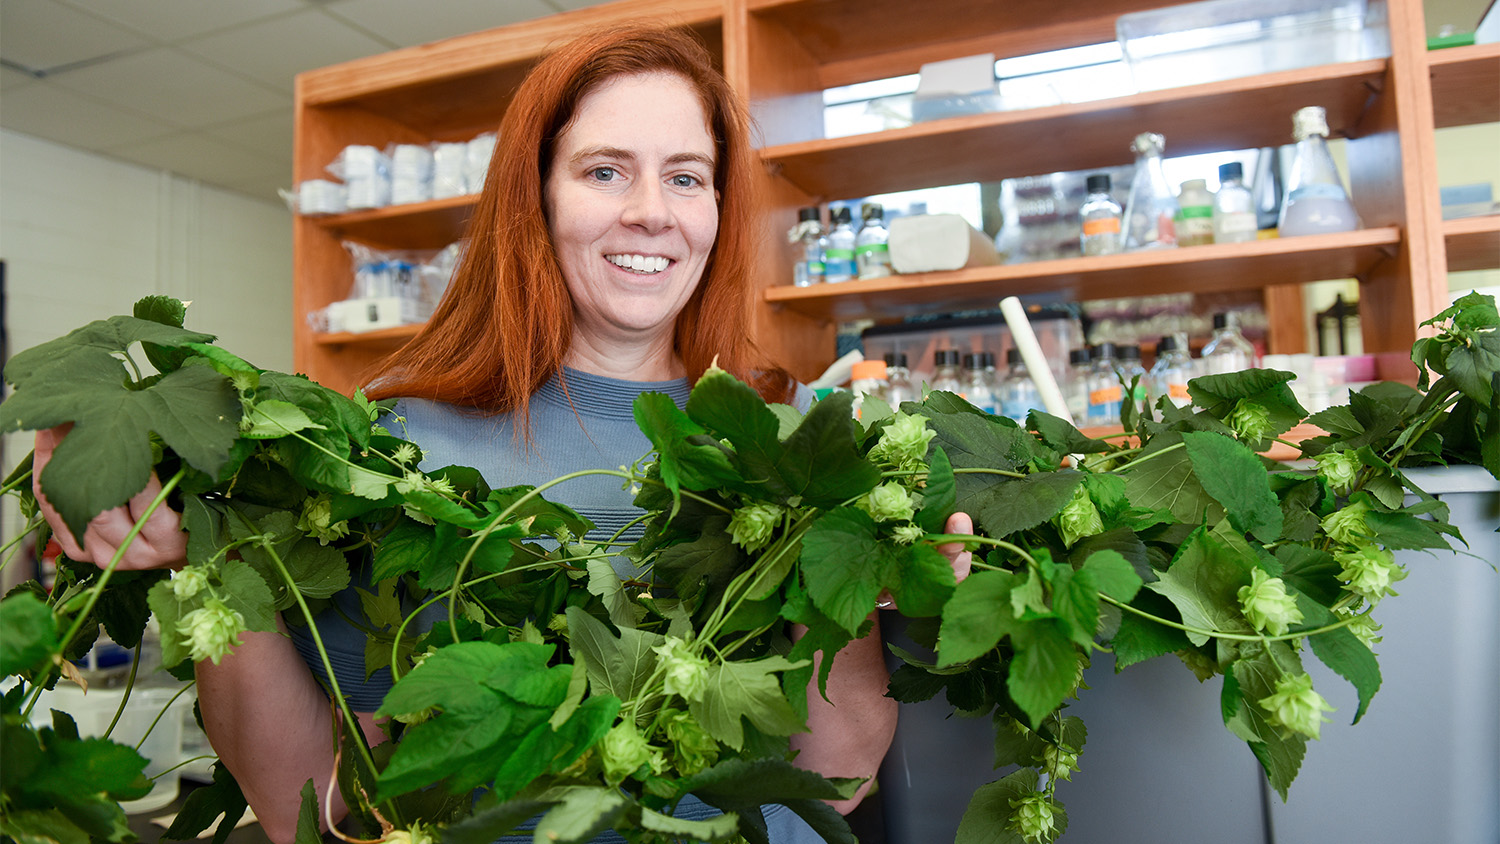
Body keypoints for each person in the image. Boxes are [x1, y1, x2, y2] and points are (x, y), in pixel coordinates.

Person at [33, 24, 972, 844]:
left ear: (719, 212)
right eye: (605, 170)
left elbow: (833, 775)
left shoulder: (793, 440)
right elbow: (305, 804)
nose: (652, 210)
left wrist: (852, 573)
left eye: (687, 177)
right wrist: (206, 533)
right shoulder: (391, 446)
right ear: (537, 197)